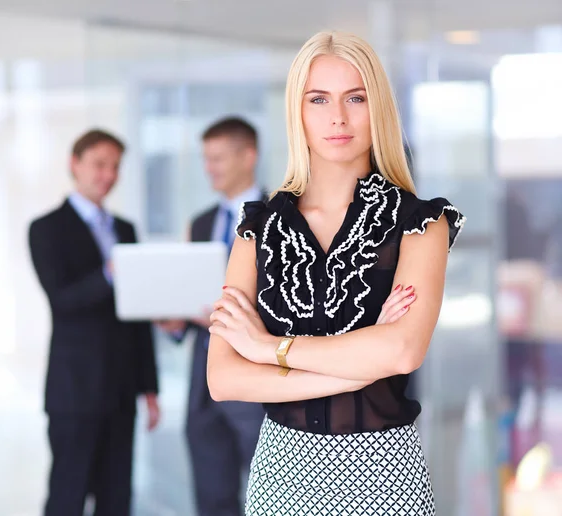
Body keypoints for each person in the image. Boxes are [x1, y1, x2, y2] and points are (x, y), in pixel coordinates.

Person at [207, 31, 466, 515]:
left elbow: (403, 350)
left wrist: (269, 350)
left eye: (356, 97)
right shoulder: (258, 229)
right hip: (281, 475)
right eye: (318, 99)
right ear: (297, 111)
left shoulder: (420, 224)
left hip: (386, 473)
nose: (337, 117)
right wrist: (356, 367)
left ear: (378, 108)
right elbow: (224, 378)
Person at [28, 129, 160, 516]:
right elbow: (62, 299)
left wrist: (148, 387)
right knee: (68, 494)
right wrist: (109, 273)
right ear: (75, 164)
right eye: (99, 164)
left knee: (117, 496)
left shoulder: (126, 229)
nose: (108, 175)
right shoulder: (46, 228)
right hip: (74, 390)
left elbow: (137, 317)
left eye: (115, 167)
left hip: (121, 390)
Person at [158, 117, 266, 516]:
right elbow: (194, 289)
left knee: (267, 491)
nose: (210, 168)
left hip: (256, 377)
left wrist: (230, 317)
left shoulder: (281, 216)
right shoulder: (201, 223)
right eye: (206, 159)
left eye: (218, 158)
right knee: (212, 494)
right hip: (203, 381)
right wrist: (178, 321)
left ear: (248, 156)